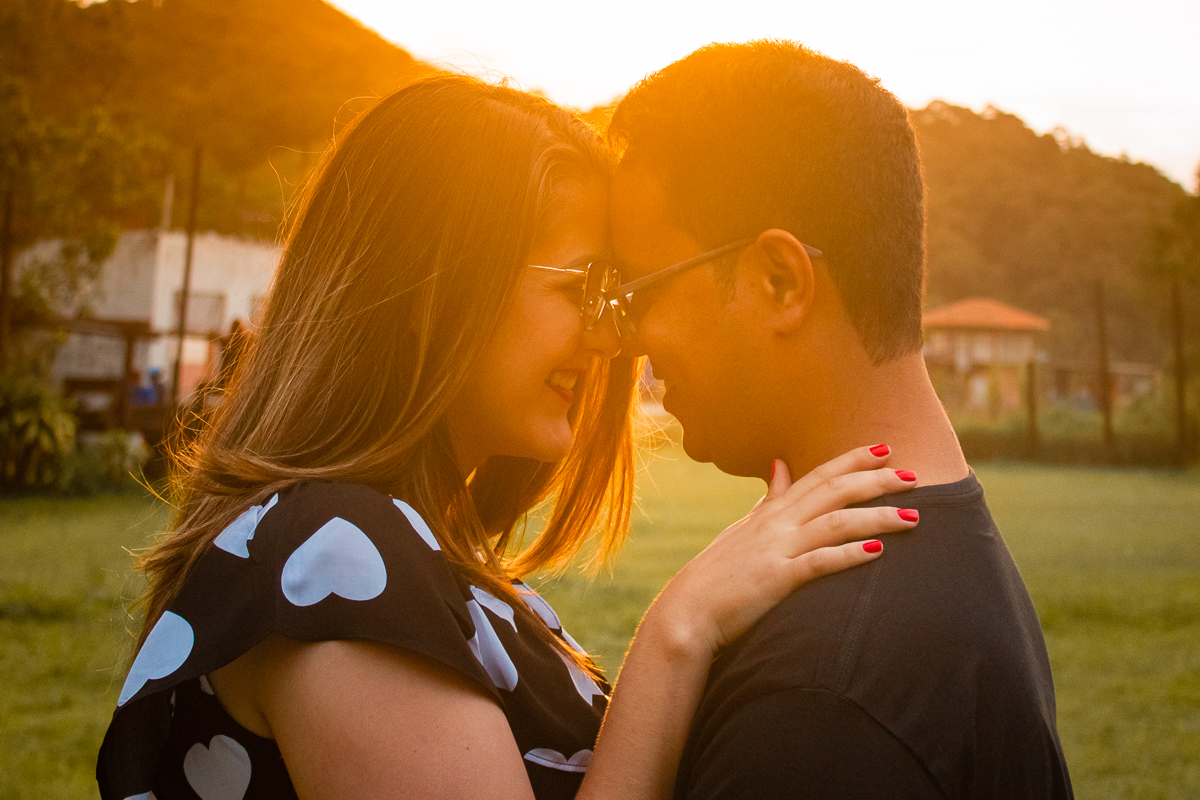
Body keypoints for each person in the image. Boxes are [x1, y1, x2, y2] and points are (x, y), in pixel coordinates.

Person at [97, 75, 921, 800]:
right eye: (583, 285)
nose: (610, 341)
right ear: (437, 287)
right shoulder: (331, 563)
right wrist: (681, 630)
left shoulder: (383, 554)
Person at [605, 40, 1074, 799]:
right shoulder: (945, 554)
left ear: (779, 280)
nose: (629, 339)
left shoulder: (822, 701)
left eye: (643, 291)